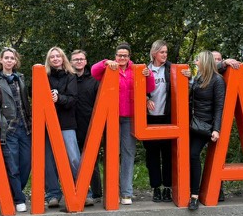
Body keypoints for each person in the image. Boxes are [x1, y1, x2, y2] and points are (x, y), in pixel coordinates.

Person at [91, 43, 155, 205]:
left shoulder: (136, 70)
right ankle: (112, 191)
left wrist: (148, 75)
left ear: (129, 57)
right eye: (119, 55)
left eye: (125, 55)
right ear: (115, 56)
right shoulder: (109, 68)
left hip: (130, 118)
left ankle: (126, 192)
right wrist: (105, 62)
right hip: (112, 117)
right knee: (112, 154)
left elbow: (150, 87)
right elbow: (93, 71)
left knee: (128, 154)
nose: (122, 58)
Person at [44, 46, 92, 208]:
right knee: (49, 160)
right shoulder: (43, 76)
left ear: (63, 58)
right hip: (47, 124)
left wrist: (59, 98)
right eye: (52, 57)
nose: (56, 59)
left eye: (58, 56)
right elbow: (34, 94)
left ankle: (84, 191)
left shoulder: (70, 76)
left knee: (73, 158)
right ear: (49, 60)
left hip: (66, 123)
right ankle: (53, 194)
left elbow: (72, 99)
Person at [0, 47, 32, 213]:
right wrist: (2, 124)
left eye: (12, 58)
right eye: (6, 58)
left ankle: (14, 192)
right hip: (9, 128)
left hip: (25, 126)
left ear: (15, 61)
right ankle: (19, 198)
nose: (9, 60)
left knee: (26, 164)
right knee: (12, 166)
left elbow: (25, 101)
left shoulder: (20, 77)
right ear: (1, 60)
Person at [187, 51, 226, 211]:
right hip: (191, 124)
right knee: (186, 157)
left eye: (198, 60)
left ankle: (195, 195)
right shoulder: (198, 77)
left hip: (205, 126)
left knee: (194, 155)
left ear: (204, 62)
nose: (196, 62)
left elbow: (219, 106)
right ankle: (188, 190)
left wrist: (216, 129)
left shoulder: (217, 80)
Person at [145, 40, 175, 203]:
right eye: (162, 52)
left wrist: (189, 77)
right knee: (152, 156)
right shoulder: (145, 70)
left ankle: (168, 188)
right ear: (154, 53)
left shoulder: (171, 69)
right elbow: (137, 89)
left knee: (168, 154)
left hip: (167, 117)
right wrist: (145, 98)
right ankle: (156, 188)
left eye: (166, 52)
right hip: (149, 118)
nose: (165, 55)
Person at [71, 49, 102, 201]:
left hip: (90, 125)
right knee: (73, 161)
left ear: (85, 61)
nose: (78, 61)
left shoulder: (94, 80)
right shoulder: (68, 80)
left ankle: (96, 193)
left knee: (92, 161)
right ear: (70, 62)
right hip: (71, 127)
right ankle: (76, 192)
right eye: (75, 59)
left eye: (81, 59)